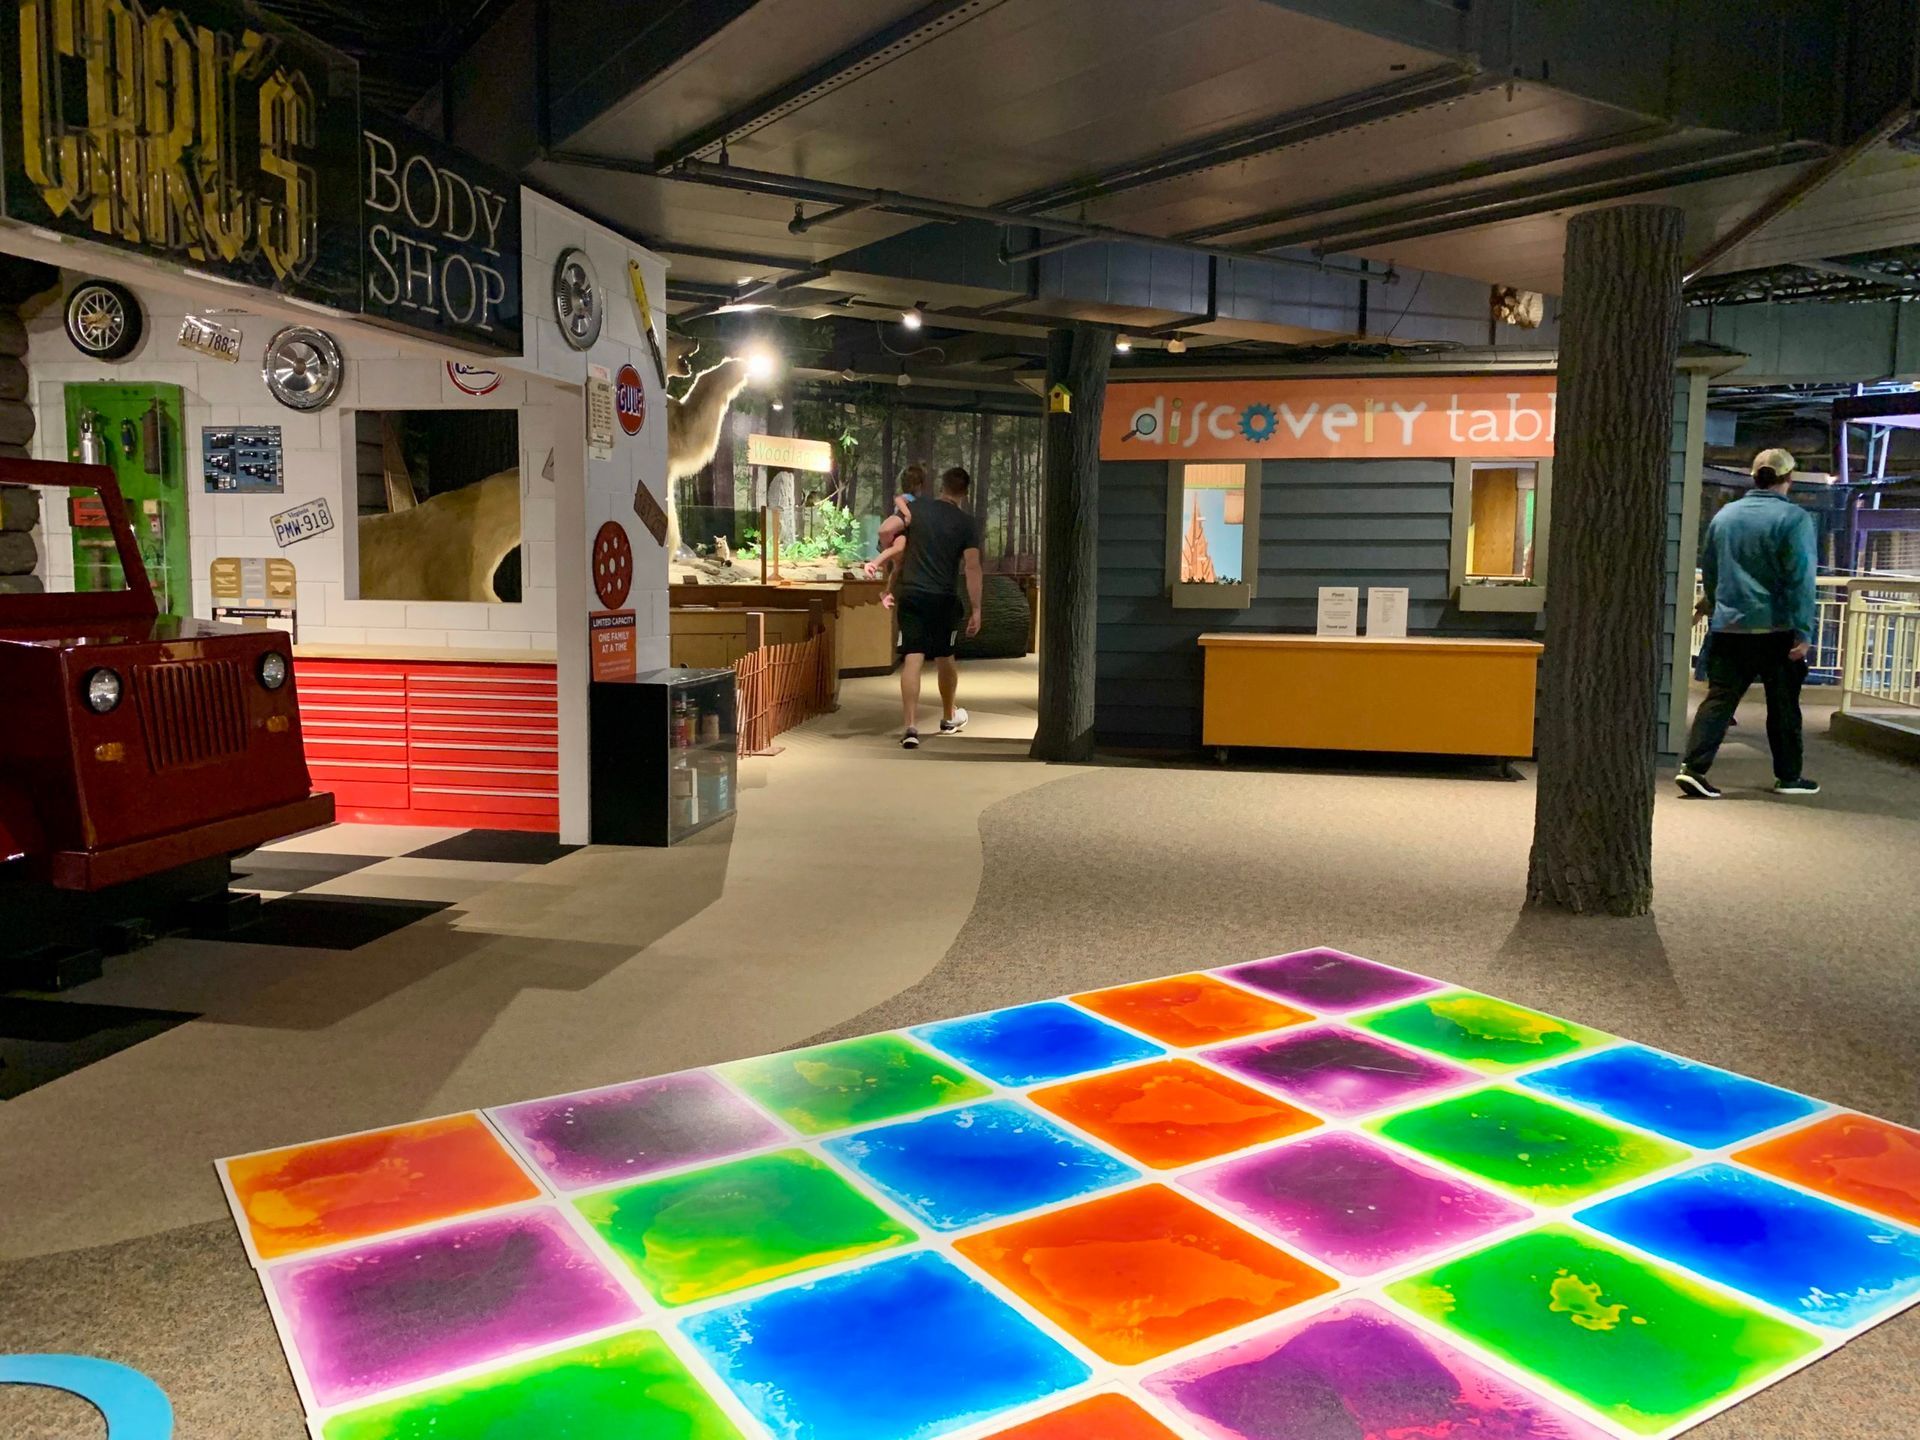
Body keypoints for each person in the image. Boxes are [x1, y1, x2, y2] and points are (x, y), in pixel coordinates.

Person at [1676, 448, 1820, 798]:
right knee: (1783, 704)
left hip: (1729, 625)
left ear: (1754, 477)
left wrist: (1715, 605)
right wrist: (1804, 631)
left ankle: (1694, 768)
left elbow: (1710, 570)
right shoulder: (1794, 519)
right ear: (1789, 479)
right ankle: (1788, 776)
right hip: (1776, 629)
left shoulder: (1725, 517)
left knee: (1720, 698)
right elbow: (1800, 578)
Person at [893, 466, 983, 749]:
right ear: (965, 493)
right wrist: (977, 608)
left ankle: (910, 726)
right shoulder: (966, 524)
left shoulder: (917, 509)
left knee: (912, 658)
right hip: (943, 598)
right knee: (945, 657)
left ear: (941, 486)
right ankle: (948, 717)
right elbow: (972, 566)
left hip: (912, 593)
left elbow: (888, 530)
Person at [863, 464, 926, 598]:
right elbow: (898, 500)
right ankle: (874, 564)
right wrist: (907, 514)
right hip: (900, 524)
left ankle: (886, 591)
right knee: (894, 552)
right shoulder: (908, 497)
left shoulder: (917, 501)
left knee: (897, 562)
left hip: (902, 532)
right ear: (918, 485)